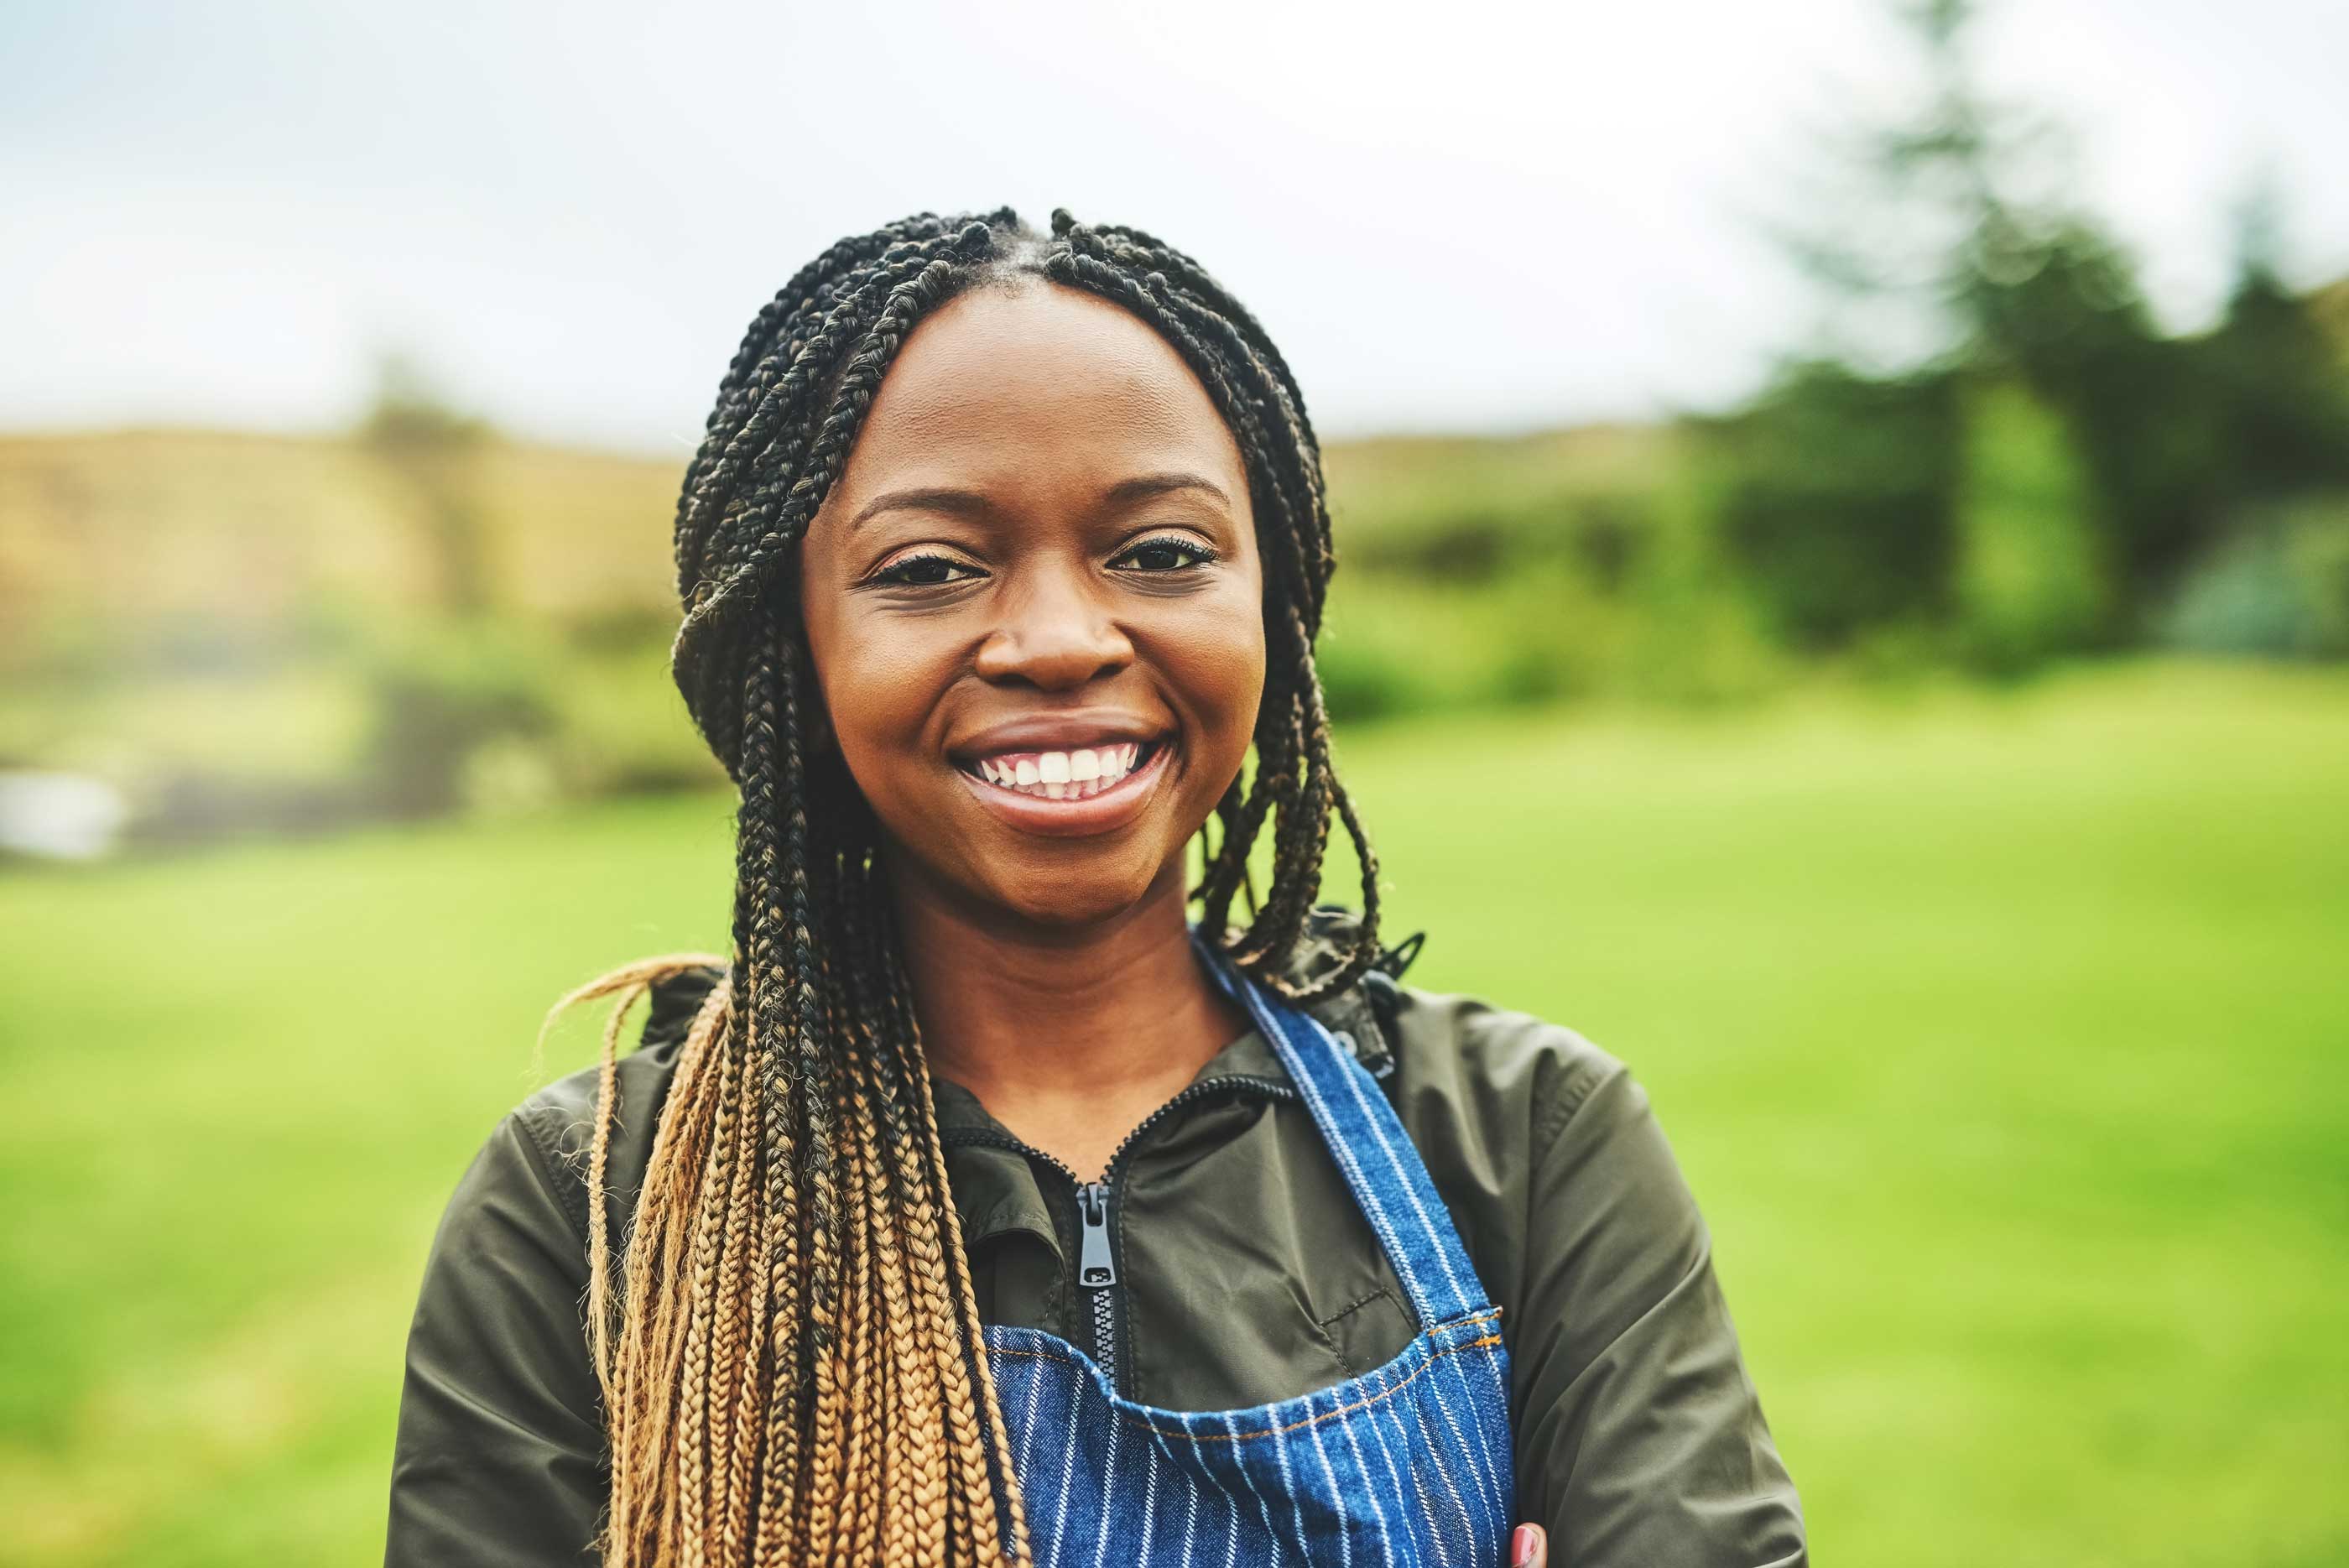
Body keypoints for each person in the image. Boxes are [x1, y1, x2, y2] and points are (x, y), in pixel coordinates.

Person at [383, 210, 1805, 1568]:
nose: (1062, 637)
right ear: (792, 648)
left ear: (1275, 606)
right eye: (931, 568)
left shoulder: (1523, 1143)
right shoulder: (594, 1210)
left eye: (1162, 552)